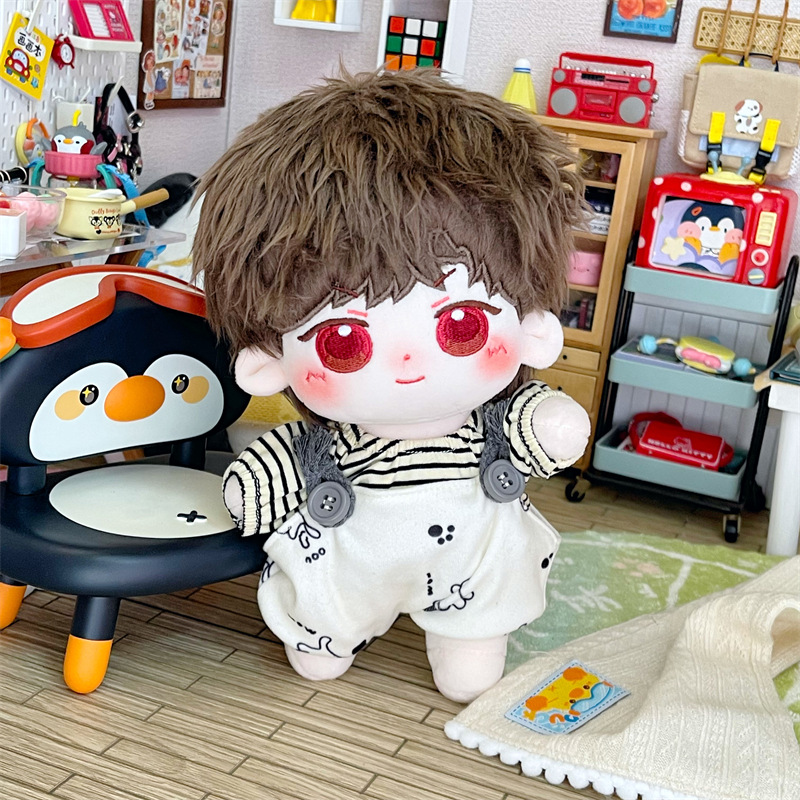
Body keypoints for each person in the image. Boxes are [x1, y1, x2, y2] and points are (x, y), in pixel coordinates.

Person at [193, 69, 590, 702]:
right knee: (321, 643)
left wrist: (551, 427)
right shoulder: (322, 445)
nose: (409, 363)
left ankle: (466, 640)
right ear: (271, 360)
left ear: (530, 331)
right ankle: (328, 633)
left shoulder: (492, 424)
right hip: (347, 571)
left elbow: (544, 431)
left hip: (472, 572)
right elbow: (266, 479)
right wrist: (255, 488)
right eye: (343, 341)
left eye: (460, 325)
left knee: (470, 669)